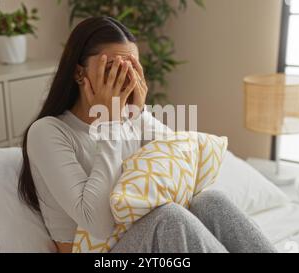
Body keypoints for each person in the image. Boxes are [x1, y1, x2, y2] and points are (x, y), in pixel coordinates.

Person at [18, 16, 276, 253]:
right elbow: (98, 223)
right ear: (78, 73)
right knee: (169, 219)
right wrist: (110, 122)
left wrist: (138, 113)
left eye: (130, 69)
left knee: (211, 200)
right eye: (112, 69)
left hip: (146, 243)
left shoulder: (131, 119)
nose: (123, 79)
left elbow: (182, 167)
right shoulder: (49, 132)